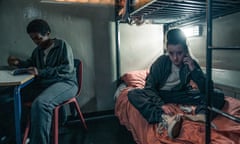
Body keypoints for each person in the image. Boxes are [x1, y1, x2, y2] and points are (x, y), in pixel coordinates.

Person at [127, 28, 225, 139]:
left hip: (181, 93)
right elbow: (149, 88)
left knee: (217, 93)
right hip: (161, 94)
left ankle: (201, 115)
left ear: (186, 50)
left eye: (179, 53)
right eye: (171, 53)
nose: (175, 58)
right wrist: (161, 104)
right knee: (133, 93)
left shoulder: (191, 62)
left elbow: (207, 89)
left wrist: (193, 69)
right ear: (167, 50)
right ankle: (164, 118)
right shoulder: (161, 62)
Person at [6, 19, 78, 144]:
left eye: (38, 38)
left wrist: (41, 72)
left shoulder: (62, 45)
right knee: (10, 96)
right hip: (46, 85)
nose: (36, 42)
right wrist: (19, 62)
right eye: (33, 39)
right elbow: (31, 64)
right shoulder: (38, 51)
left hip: (66, 83)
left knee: (41, 104)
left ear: (48, 34)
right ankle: (14, 135)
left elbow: (67, 69)